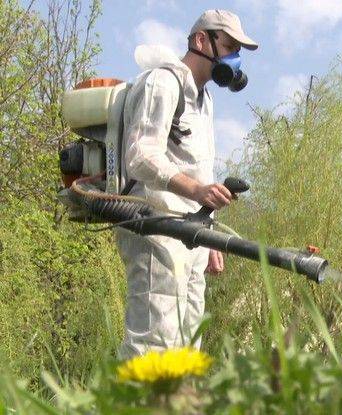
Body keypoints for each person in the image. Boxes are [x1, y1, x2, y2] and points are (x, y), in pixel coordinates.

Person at [114, 9, 258, 358]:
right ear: (200, 40)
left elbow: (199, 170)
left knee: (188, 344)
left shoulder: (204, 100)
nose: (234, 58)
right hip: (157, 226)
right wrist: (195, 191)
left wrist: (209, 237)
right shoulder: (162, 82)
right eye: (229, 47)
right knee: (154, 345)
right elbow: (140, 155)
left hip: (191, 235)